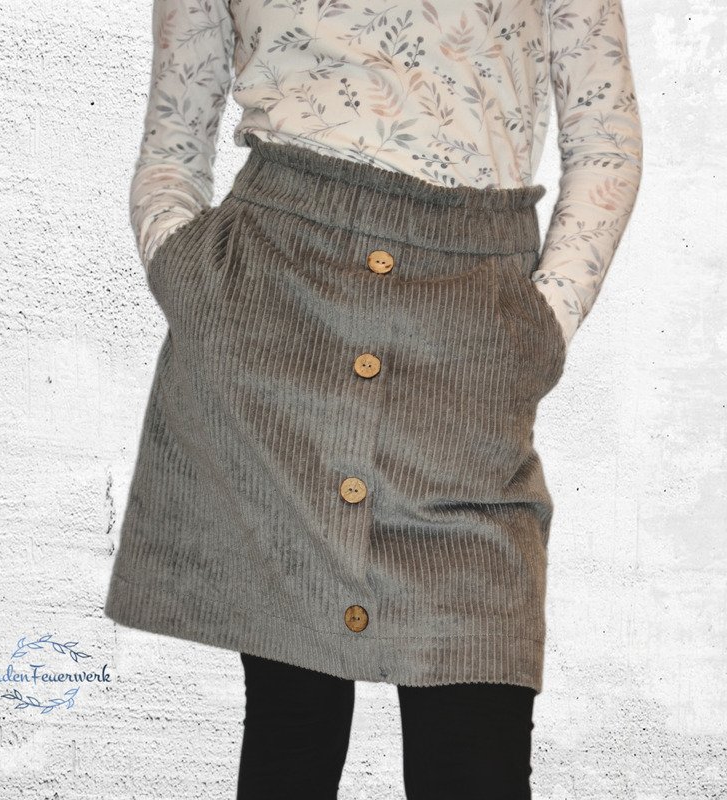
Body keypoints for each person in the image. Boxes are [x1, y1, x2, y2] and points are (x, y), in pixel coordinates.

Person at [105, 0, 642, 796]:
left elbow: (606, 143)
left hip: (465, 340)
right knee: (292, 731)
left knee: (477, 749)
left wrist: (539, 327)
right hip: (274, 324)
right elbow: (173, 137)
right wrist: (186, 270)